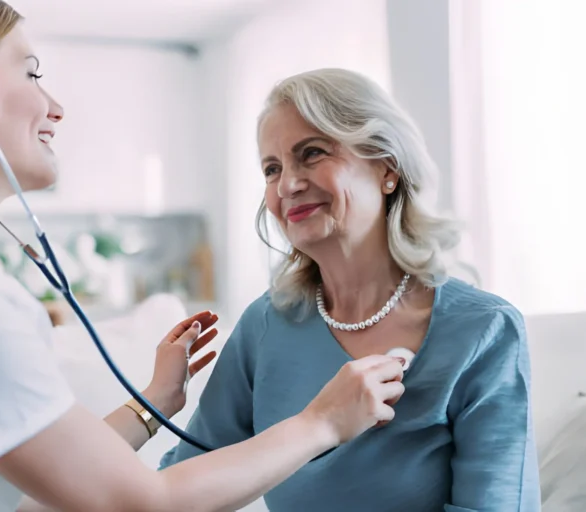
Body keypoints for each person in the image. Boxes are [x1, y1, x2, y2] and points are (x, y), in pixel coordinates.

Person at [0, 3, 409, 512]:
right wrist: (322, 423)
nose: (56, 107)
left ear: (388, 171)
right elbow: (141, 502)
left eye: (312, 154)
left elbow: (39, 494)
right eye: (32, 74)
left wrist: (155, 402)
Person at [160, 68, 542, 511]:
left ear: (387, 168)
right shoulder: (264, 327)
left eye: (312, 153)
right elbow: (175, 491)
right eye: (272, 168)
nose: (288, 185)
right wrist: (153, 402)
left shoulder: (484, 331)